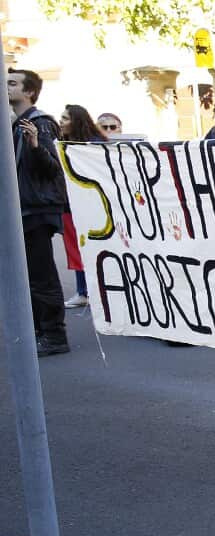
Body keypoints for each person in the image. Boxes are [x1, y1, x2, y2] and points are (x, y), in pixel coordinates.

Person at [8, 69, 70, 357]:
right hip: (23, 210)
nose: (6, 88)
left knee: (41, 275)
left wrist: (34, 147)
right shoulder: (15, 123)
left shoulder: (40, 123)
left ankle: (54, 335)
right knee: (26, 276)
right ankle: (38, 330)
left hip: (36, 210)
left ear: (29, 92)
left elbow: (53, 168)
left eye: (12, 84)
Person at [58, 104, 109, 308]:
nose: (61, 121)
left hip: (93, 204)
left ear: (76, 121)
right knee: (77, 248)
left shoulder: (93, 145)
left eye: (65, 118)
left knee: (96, 247)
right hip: (71, 205)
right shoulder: (66, 144)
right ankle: (84, 291)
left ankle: (96, 291)